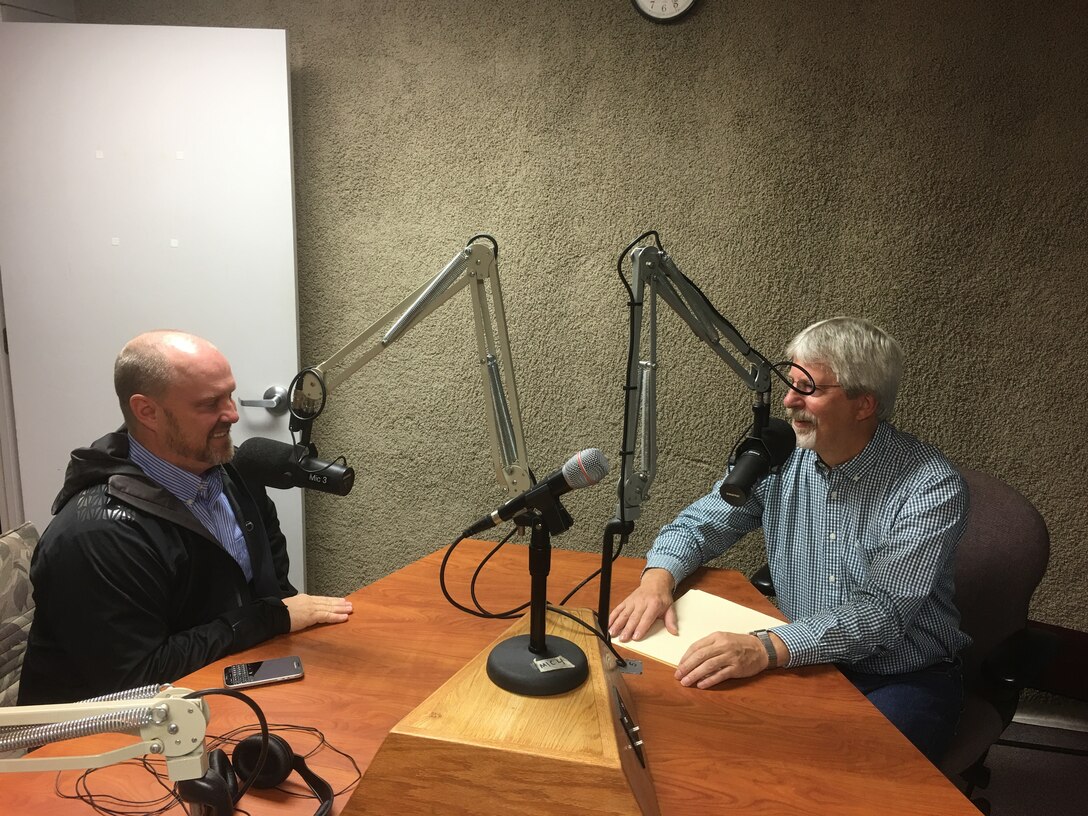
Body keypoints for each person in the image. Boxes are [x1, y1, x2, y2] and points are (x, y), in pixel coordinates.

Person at [608, 316, 970, 765]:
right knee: (700, 744)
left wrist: (764, 647)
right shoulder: (782, 459)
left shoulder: (931, 487)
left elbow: (882, 614)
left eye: (808, 388)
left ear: (863, 405)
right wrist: (657, 579)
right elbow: (701, 524)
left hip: (898, 675)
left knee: (845, 780)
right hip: (802, 660)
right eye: (791, 382)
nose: (788, 400)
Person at [19, 331, 353, 704]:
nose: (232, 414)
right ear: (148, 412)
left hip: (218, 688)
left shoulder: (231, 474)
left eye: (230, 394)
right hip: (105, 728)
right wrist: (266, 619)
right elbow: (135, 679)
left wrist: (277, 624)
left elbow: (273, 591)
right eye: (210, 403)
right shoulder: (95, 536)